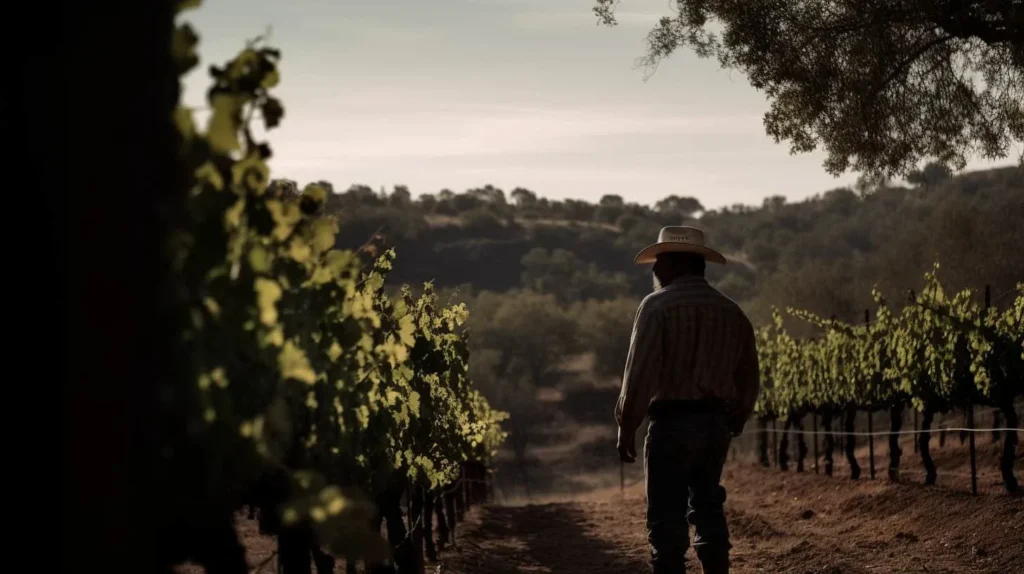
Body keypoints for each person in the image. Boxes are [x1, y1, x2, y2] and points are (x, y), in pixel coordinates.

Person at [614, 226, 764, 574]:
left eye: (658, 263)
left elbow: (639, 374)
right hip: (715, 425)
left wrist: (627, 426)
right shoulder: (733, 312)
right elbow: (748, 374)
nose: (653, 271)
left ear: (672, 265)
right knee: (708, 503)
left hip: (670, 423)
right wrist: (737, 417)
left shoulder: (655, 307)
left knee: (666, 513)